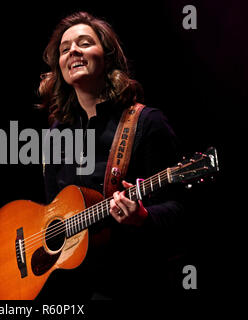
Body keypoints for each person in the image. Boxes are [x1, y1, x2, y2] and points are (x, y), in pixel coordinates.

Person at [38, 11, 185, 301]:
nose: (73, 51)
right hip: (69, 286)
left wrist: (144, 217)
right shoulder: (55, 133)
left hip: (131, 284)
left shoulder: (146, 122)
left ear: (106, 57)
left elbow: (182, 208)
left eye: (84, 43)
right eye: (65, 49)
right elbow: (48, 214)